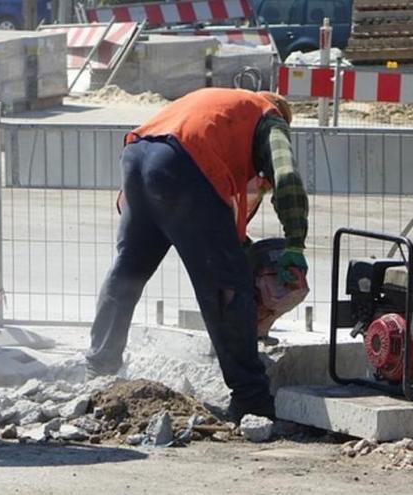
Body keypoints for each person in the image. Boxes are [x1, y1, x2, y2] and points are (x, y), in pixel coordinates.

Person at [86, 88, 309, 421]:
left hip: (138, 157)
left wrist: (237, 245)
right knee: (225, 286)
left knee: (127, 272)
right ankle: (251, 398)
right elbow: (287, 176)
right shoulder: (269, 118)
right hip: (185, 164)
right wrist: (295, 242)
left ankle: (98, 374)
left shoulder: (222, 108)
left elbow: (219, 214)